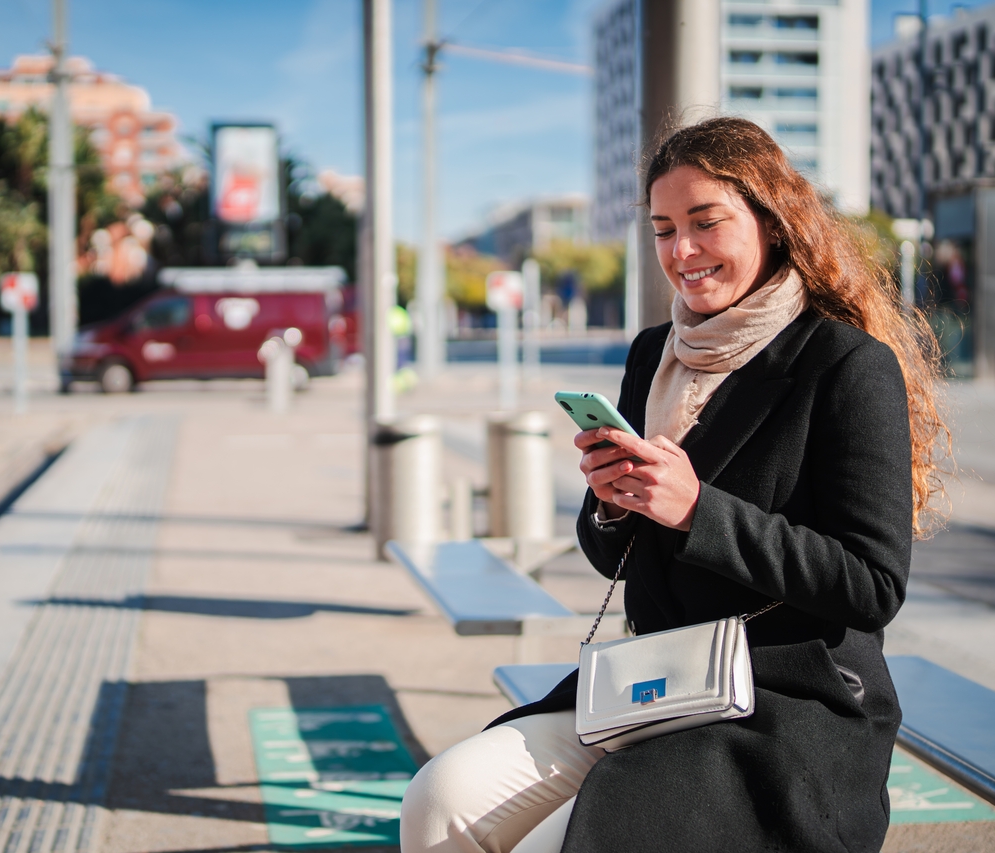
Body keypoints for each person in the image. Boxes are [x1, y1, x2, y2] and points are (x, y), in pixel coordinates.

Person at [399, 117, 949, 853]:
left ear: (772, 221)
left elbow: (873, 583)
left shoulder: (845, 364)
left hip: (782, 709)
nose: (681, 251)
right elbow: (617, 559)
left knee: (564, 842)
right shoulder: (656, 352)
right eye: (663, 229)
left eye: (705, 222)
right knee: (439, 798)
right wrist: (611, 503)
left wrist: (697, 509)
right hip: (657, 681)